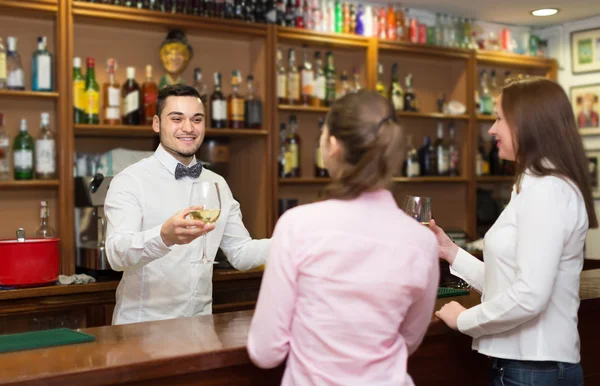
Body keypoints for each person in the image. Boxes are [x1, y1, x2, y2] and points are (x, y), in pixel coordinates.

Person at [247, 90, 440, 385]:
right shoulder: (422, 241)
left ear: (333, 146)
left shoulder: (297, 226)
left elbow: (266, 351)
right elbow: (410, 338)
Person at [433, 77, 598, 386]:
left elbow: (530, 296)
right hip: (529, 367)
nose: (492, 129)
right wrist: (450, 251)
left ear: (526, 124)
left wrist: (464, 320)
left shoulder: (547, 190)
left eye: (498, 118)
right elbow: (508, 282)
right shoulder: (533, 185)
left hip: (534, 370)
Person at [104, 84, 269, 325]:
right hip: (142, 331)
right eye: (177, 118)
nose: (188, 128)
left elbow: (240, 253)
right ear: (157, 124)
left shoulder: (217, 184)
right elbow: (116, 255)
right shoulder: (130, 181)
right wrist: (163, 236)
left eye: (197, 119)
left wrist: (291, 239)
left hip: (200, 328)